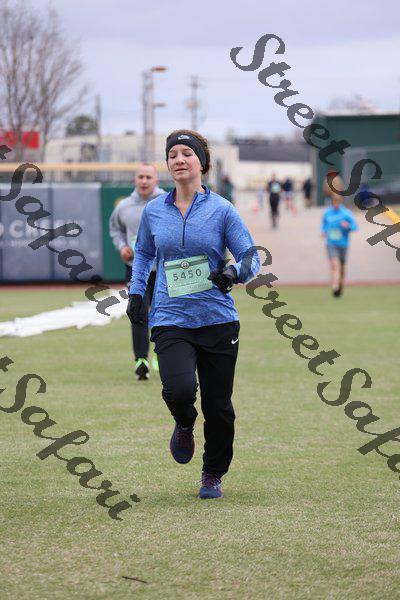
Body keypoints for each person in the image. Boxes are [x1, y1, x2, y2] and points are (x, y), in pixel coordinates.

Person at [126, 129, 260, 499]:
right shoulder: (154, 211)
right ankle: (184, 422)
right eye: (173, 155)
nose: (179, 160)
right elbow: (143, 252)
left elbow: (250, 255)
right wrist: (136, 291)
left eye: (187, 153)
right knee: (179, 389)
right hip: (170, 317)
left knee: (219, 407)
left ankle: (212, 473)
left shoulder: (222, 210)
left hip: (217, 319)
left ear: (202, 162)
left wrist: (233, 272)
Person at [109, 163, 165, 380]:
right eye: (140, 176)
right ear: (135, 180)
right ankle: (141, 360)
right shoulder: (124, 207)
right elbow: (115, 229)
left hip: (163, 269)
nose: (144, 181)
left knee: (164, 313)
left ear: (156, 180)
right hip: (136, 270)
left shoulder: (167, 202)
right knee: (138, 312)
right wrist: (122, 246)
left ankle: (162, 353)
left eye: (148, 177)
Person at [321, 195, 358, 297]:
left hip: (343, 244)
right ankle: (335, 287)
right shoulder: (327, 213)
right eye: (334, 201)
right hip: (331, 243)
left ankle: (340, 283)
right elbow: (324, 224)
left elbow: (355, 227)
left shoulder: (346, 213)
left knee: (342, 267)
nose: (336, 203)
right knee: (334, 265)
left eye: (337, 201)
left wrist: (348, 226)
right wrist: (323, 231)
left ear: (340, 201)